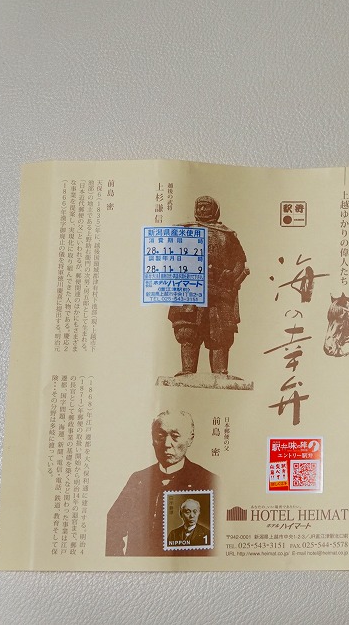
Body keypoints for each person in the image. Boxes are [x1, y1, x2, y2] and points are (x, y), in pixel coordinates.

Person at [105, 410, 218, 556]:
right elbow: (113, 522)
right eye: (160, 436)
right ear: (152, 439)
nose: (166, 444)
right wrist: (121, 563)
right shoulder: (138, 479)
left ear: (190, 439)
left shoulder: (207, 480)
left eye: (175, 436)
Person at [169, 196, 249, 377]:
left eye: (206, 207)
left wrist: (231, 275)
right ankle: (188, 370)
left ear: (215, 210)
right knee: (188, 329)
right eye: (200, 207)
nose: (203, 210)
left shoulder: (227, 235)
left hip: (220, 290)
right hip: (191, 288)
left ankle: (220, 372)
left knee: (220, 332)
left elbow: (239, 261)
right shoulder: (185, 230)